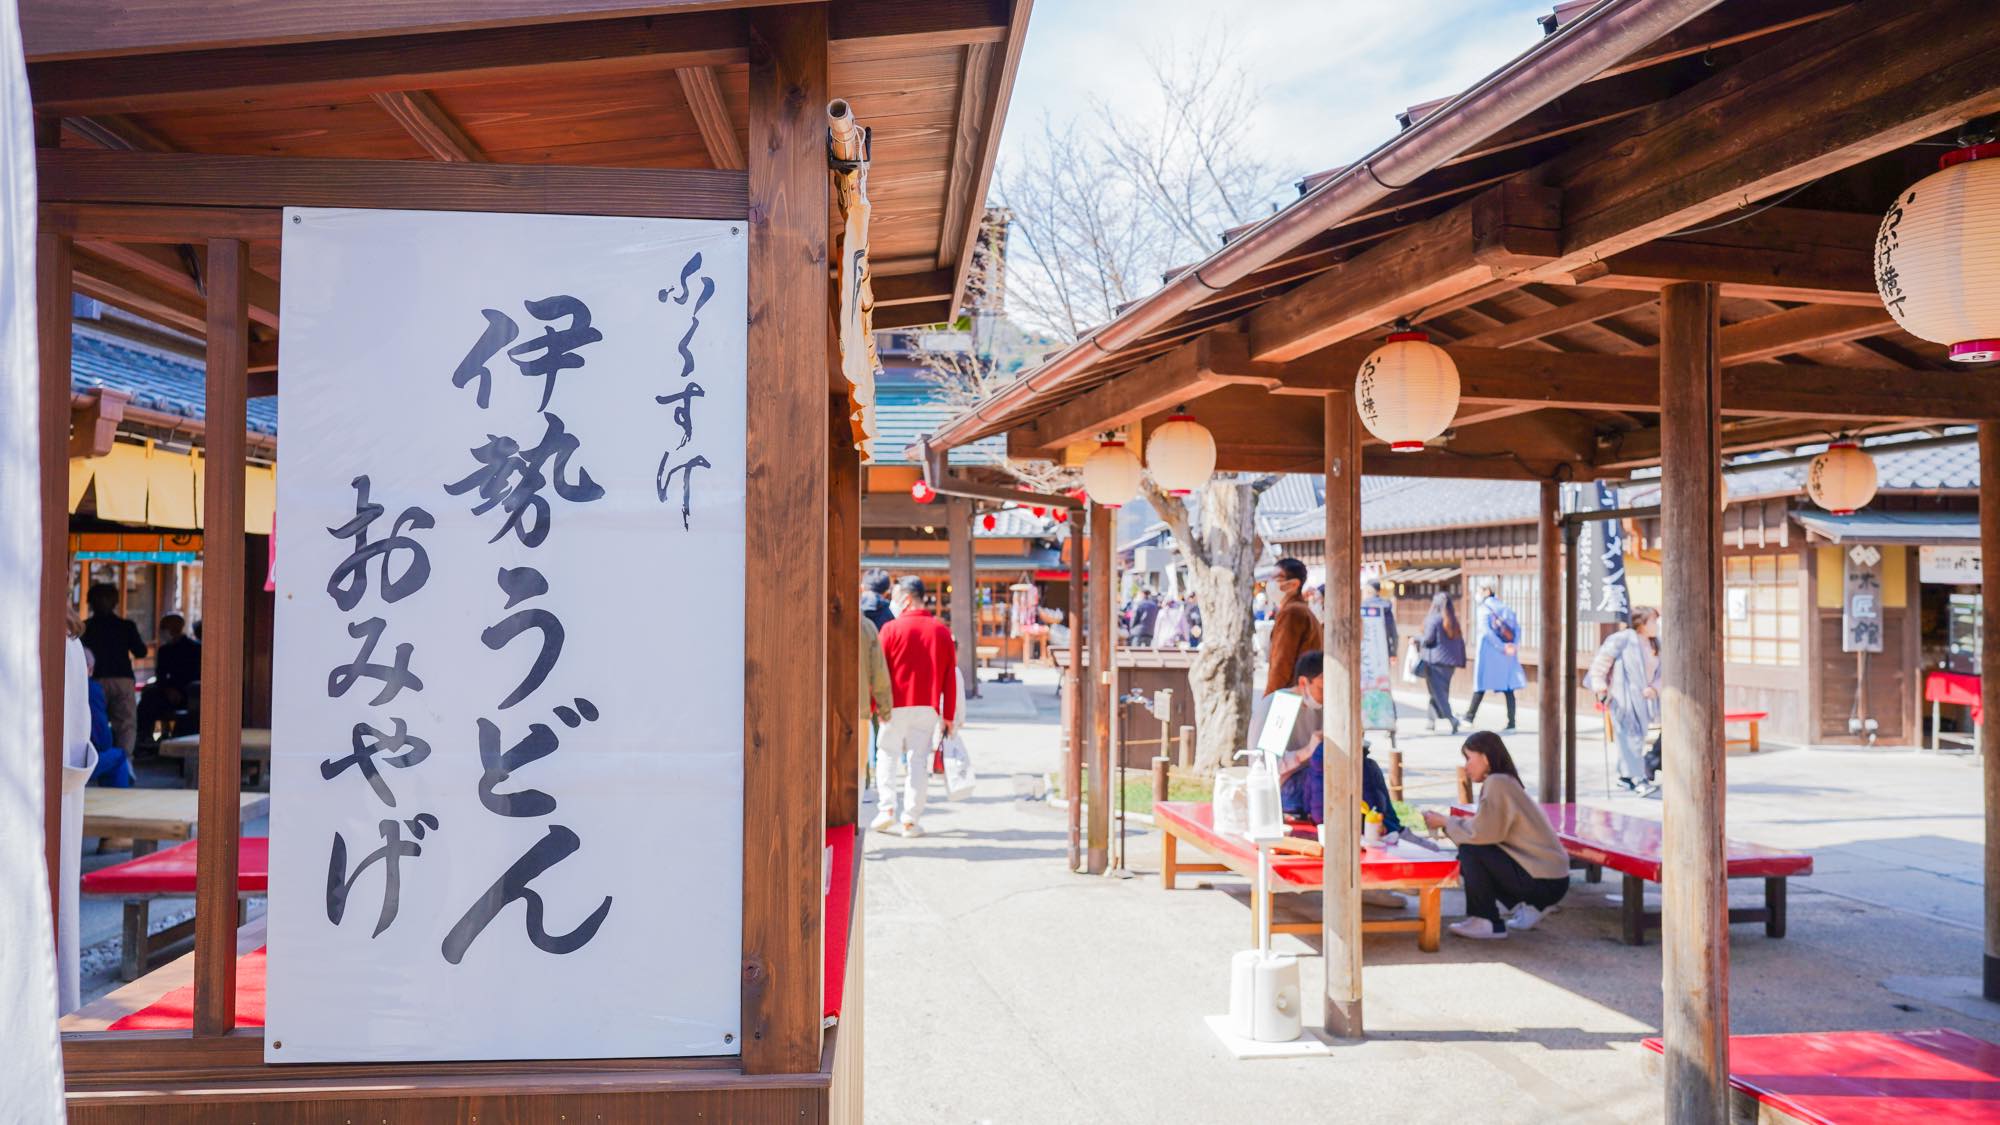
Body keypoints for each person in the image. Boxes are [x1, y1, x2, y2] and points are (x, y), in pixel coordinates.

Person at [1422, 732, 1570, 939]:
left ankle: (1485, 920)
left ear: (1485, 757)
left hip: (1544, 880)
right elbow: (1488, 829)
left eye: (1468, 758)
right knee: (1472, 852)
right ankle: (1532, 905)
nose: (1466, 766)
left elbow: (1483, 834)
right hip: (1553, 879)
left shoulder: (1497, 782)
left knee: (1470, 852)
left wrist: (1446, 822)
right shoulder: (1505, 781)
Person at [873, 576, 958, 837]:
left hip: (893, 704)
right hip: (927, 707)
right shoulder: (941, 631)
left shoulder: (890, 630)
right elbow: (950, 677)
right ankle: (910, 819)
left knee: (887, 754)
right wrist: (949, 715)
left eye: (897, 595)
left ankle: (887, 808)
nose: (893, 600)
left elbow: (879, 671)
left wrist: (874, 704)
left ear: (907, 599)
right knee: (918, 761)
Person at [1589, 606, 1662, 794]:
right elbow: (1601, 662)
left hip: (1645, 698)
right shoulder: (1622, 639)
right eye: (1652, 621)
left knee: (1636, 737)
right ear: (1641, 623)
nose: (1655, 625)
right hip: (1623, 696)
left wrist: (1654, 687)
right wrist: (1600, 686)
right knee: (1631, 739)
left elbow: (1663, 670)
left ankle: (1625, 776)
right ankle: (1639, 779)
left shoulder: (1655, 643)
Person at [81, 583, 147, 759]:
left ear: (90, 602)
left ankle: (98, 760)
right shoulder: (126, 626)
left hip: (95, 680)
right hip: (122, 678)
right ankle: (124, 762)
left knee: (94, 723)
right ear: (116, 602)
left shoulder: (85, 627)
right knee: (126, 723)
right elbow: (141, 652)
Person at [1467, 583, 1526, 732]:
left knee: (1480, 685)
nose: (1478, 593)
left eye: (1480, 590)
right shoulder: (1504, 607)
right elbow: (1517, 629)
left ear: (1487, 591)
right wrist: (1513, 645)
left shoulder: (1484, 609)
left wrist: (1501, 646)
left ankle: (1469, 716)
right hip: (1507, 655)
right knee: (1508, 688)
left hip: (1490, 654)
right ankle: (1511, 722)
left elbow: (1486, 631)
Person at [137, 613, 200, 750]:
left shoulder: (195, 648)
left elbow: (197, 674)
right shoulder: (164, 650)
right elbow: (160, 675)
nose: (161, 632)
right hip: (169, 690)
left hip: (190, 691)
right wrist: (168, 689)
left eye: (163, 628)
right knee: (148, 697)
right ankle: (146, 737)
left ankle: (156, 736)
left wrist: (178, 690)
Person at [1262, 558, 1316, 700]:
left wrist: (1268, 699)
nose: (1271, 582)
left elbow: (1281, 664)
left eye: (1277, 578)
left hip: (1289, 696)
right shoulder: (1302, 610)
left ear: (1293, 584)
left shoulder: (1292, 612)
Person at [1419, 590, 1466, 734]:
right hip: (1449, 663)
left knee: (1438, 693)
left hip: (1434, 662)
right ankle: (1431, 721)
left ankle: (1452, 719)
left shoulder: (1433, 619)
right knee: (1438, 691)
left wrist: (1415, 638)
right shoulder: (1453, 621)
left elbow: (1427, 639)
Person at [1361, 578, 1398, 665]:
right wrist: (1393, 652)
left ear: (1369, 590)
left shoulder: (1364, 607)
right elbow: (1393, 633)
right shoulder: (1387, 608)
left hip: (1366, 651)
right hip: (1384, 650)